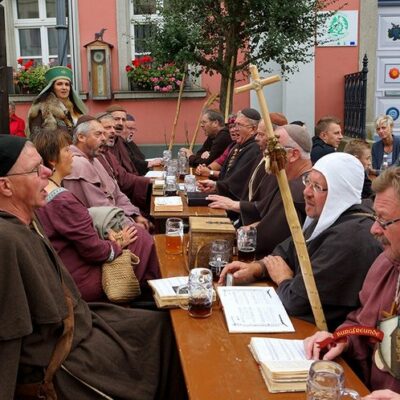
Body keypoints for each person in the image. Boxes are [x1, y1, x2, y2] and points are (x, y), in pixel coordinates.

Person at [0, 134, 186, 399]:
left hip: (82, 320)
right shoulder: (6, 240)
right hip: (62, 354)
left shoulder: (29, 219)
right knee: (161, 341)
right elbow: (9, 335)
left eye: (44, 164)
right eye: (34, 169)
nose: (46, 172)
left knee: (164, 323)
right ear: (6, 187)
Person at [219, 152, 382, 330]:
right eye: (308, 182)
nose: (306, 192)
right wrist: (257, 268)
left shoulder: (350, 238)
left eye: (317, 187)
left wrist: (283, 279)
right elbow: (289, 249)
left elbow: (297, 300)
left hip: (320, 336)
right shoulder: (330, 217)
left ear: (339, 193)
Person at [304, 167, 400, 396]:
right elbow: (360, 321)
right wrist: (341, 339)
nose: (374, 229)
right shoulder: (384, 264)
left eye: (384, 221)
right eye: (375, 217)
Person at [33, 129, 138, 302]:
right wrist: (116, 245)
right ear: (52, 160)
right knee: (141, 245)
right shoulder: (62, 200)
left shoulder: (41, 192)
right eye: (67, 150)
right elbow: (92, 250)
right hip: (81, 281)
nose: (72, 155)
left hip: (64, 274)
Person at [63, 117, 160, 286]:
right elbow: (100, 207)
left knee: (150, 232)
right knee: (145, 240)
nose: (104, 137)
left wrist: (136, 216)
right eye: (98, 133)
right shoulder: (78, 164)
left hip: (117, 218)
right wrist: (130, 224)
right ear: (81, 137)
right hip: (104, 229)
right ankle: (144, 286)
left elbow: (118, 193)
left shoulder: (94, 159)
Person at [208, 123, 311, 257]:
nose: (267, 153)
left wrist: (238, 239)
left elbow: (269, 237)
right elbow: (267, 215)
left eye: (274, 149)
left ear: (293, 155)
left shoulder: (297, 189)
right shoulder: (289, 180)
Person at [197, 108, 261, 201]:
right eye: (234, 125)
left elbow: (239, 184)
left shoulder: (254, 150)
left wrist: (217, 186)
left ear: (253, 129)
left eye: (239, 125)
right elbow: (226, 175)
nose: (235, 129)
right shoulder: (237, 146)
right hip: (224, 197)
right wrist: (215, 186)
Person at [97, 112, 151, 213]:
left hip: (121, 199)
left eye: (113, 127)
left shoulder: (110, 149)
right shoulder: (91, 157)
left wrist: (148, 181)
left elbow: (123, 176)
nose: (113, 131)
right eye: (108, 127)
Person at [27, 66, 87, 138]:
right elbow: (36, 137)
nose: (64, 88)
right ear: (52, 88)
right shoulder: (42, 108)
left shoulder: (75, 109)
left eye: (67, 84)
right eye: (59, 84)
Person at [106, 105, 161, 175]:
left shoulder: (120, 141)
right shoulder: (105, 146)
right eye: (116, 119)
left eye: (123, 120)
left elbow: (139, 158)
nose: (120, 123)